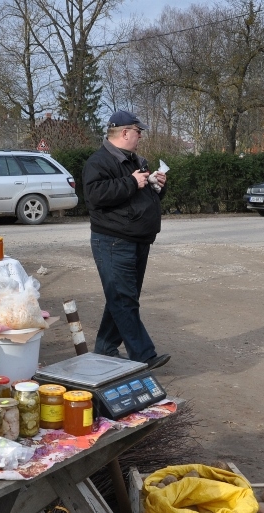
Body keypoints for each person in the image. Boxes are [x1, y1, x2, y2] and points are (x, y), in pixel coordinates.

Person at [82, 110, 170, 370]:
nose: (140, 136)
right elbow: (95, 196)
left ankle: (105, 348)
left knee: (122, 298)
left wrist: (157, 185)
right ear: (124, 132)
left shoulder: (136, 160)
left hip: (138, 238)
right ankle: (144, 354)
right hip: (113, 240)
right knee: (123, 299)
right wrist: (132, 182)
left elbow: (140, 196)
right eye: (138, 131)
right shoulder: (99, 161)